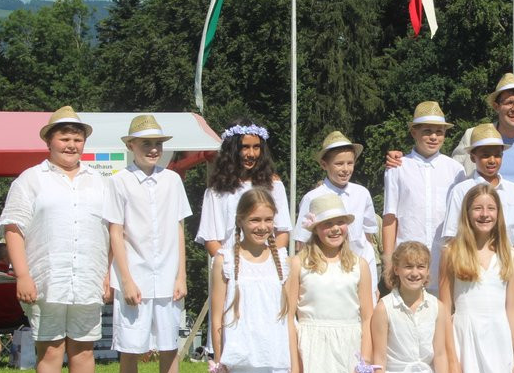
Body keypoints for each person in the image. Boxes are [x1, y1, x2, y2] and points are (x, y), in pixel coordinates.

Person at [0, 106, 109, 373]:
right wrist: (23, 275)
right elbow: (13, 229)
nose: (71, 145)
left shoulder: (100, 182)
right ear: (49, 141)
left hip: (88, 274)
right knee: (50, 349)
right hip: (47, 276)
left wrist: (107, 276)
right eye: (64, 138)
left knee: (84, 349)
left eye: (77, 138)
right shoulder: (30, 179)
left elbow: (114, 231)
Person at [104, 115, 193, 373]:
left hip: (168, 276)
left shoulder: (172, 181)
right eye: (146, 144)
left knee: (169, 346)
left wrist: (181, 274)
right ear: (131, 146)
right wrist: (125, 278)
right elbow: (116, 232)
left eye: (157, 144)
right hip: (135, 276)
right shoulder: (118, 181)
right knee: (130, 347)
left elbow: (179, 228)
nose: (153, 149)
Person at [208, 188, 300, 373]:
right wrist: (222, 371)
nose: (262, 227)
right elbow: (217, 319)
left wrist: (294, 371)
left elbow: (289, 320)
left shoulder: (284, 260)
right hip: (240, 361)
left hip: (275, 361)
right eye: (255, 220)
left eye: (268, 220)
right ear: (240, 221)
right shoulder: (224, 260)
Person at [287, 195, 374, 373]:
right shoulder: (298, 264)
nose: (335, 229)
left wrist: (364, 365)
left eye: (340, 222)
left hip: (349, 346)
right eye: (327, 224)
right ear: (315, 229)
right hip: (312, 346)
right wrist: (295, 366)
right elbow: (288, 316)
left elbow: (368, 318)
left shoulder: (360, 265)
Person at [386, 73, 514, 193]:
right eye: (509, 102)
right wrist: (406, 159)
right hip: (483, 225)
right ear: (496, 106)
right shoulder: (473, 135)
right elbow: (447, 175)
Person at [439, 185, 514, 373]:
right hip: (464, 334)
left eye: (491, 208)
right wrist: (451, 359)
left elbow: (512, 308)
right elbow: (443, 309)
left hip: (499, 334)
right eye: (477, 208)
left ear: (499, 213)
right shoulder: (451, 252)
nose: (485, 214)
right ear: (467, 213)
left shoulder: (510, 252)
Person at [368, 242, 452, 373]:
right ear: (396, 269)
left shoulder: (437, 307)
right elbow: (378, 356)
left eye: (420, 267)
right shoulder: (384, 308)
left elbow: (440, 354)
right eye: (408, 267)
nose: (415, 273)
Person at [381, 102, 465, 294]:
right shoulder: (398, 168)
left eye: (439, 132)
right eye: (427, 131)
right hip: (408, 263)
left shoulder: (455, 170)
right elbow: (389, 217)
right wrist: (387, 262)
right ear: (414, 133)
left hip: (443, 263)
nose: (434, 137)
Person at [294, 131, 380, 298]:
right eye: (339, 164)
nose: (345, 169)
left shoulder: (361, 193)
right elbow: (302, 243)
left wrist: (373, 279)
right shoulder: (312, 197)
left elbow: (368, 235)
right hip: (327, 269)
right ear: (324, 165)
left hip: (361, 263)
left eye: (350, 163)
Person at [196, 119, 292, 256]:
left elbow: (282, 232)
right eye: (245, 147)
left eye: (256, 147)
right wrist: (230, 268)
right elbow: (211, 239)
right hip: (230, 269)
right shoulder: (216, 191)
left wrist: (268, 264)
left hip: (267, 267)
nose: (251, 154)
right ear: (232, 150)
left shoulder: (274, 185)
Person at [440, 123, 514, 246]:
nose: (492, 160)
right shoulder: (462, 190)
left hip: (509, 261)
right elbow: (452, 236)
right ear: (472, 157)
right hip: (471, 262)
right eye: (485, 155)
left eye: (497, 155)